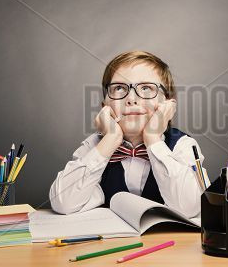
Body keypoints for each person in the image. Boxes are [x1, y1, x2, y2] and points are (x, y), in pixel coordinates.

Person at [49, 51, 206, 218]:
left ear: (168, 104)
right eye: (119, 88)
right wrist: (110, 140)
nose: (131, 99)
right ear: (105, 105)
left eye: (146, 88)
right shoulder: (95, 146)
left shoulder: (183, 146)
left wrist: (153, 139)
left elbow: (191, 207)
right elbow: (63, 202)